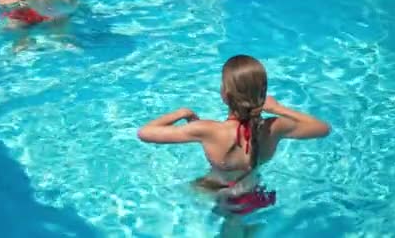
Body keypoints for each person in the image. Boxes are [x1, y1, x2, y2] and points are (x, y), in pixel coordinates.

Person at [137, 55, 330, 224]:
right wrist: (278, 108)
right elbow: (323, 129)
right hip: (255, 193)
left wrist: (182, 112)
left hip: (223, 195)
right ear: (262, 95)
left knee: (177, 191)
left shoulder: (208, 130)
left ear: (225, 95)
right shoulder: (275, 127)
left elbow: (145, 132)